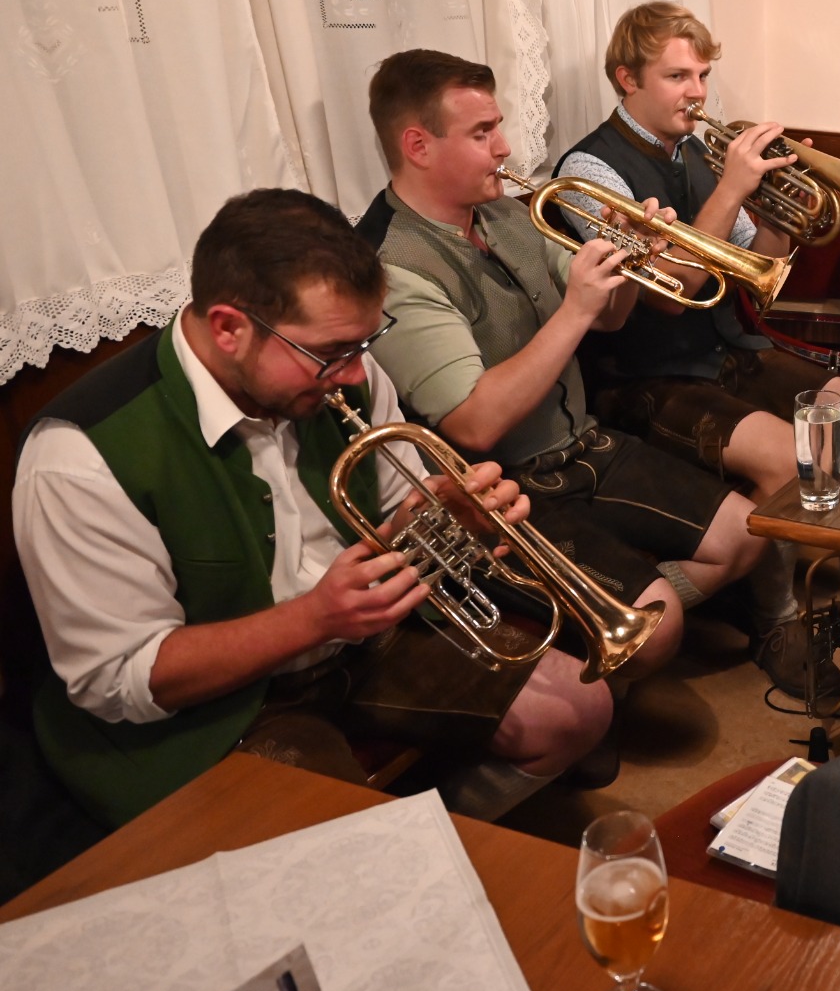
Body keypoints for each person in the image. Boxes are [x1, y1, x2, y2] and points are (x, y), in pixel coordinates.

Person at [14, 190, 609, 826]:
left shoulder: (341, 370)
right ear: (229, 329)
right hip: (213, 710)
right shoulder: (80, 457)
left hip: (354, 643)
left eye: (365, 342)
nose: (356, 373)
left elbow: (393, 512)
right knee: (343, 850)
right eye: (331, 353)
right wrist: (314, 619)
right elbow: (121, 678)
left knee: (580, 709)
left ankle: (439, 840)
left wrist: (446, 517)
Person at [355, 49, 835, 701]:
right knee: (660, 628)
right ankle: (616, 631)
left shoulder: (504, 215)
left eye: (499, 126)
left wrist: (632, 259)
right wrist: (576, 308)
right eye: (482, 132)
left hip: (583, 443)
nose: (504, 147)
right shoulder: (392, 265)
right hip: (501, 489)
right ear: (418, 146)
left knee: (746, 535)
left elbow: (609, 317)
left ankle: (627, 615)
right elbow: (475, 422)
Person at [550, 4, 840, 631]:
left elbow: (757, 269)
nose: (696, 92)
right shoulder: (588, 169)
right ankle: (776, 620)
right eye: (677, 76)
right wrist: (733, 188)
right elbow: (671, 292)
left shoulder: (695, 152)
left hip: (724, 351)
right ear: (627, 79)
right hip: (643, 375)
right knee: (791, 460)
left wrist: (773, 212)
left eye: (703, 76)